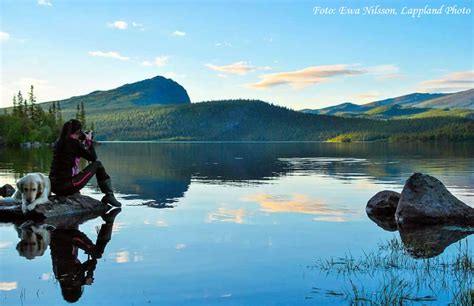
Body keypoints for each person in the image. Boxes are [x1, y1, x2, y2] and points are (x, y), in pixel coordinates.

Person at [49, 119, 121, 207]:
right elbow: (93, 158)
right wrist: (89, 141)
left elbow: (73, 153)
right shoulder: (74, 144)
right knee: (98, 164)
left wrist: (82, 142)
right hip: (67, 187)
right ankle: (109, 195)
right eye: (80, 132)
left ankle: (75, 191)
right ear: (78, 131)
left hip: (54, 187)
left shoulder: (58, 143)